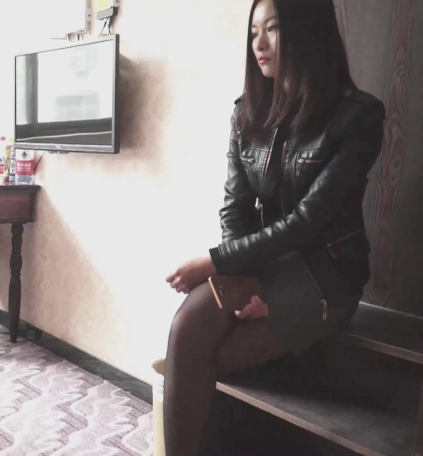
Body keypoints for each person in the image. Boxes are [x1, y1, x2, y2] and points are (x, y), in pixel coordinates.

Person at [162, 0, 386, 454]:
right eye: (253, 32)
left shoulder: (357, 116)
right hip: (263, 263)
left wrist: (215, 262)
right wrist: (239, 280)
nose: (258, 44)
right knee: (188, 329)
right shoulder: (247, 111)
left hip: (327, 273)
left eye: (273, 29)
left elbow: (308, 221)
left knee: (213, 356)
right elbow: (235, 207)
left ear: (307, 32)